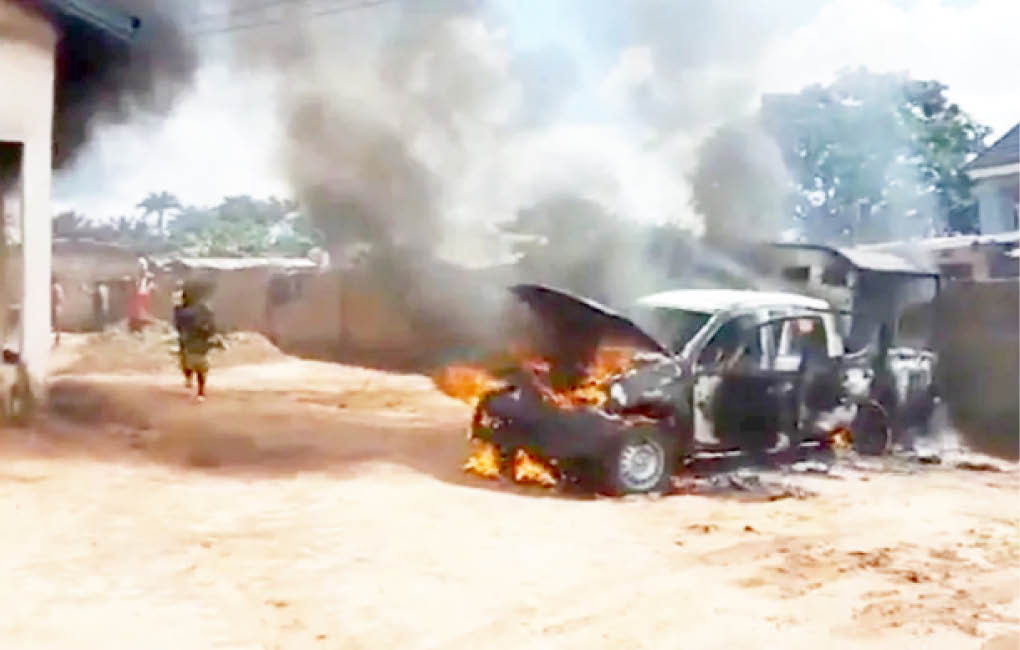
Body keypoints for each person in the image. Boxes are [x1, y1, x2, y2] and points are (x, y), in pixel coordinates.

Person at [173, 280, 223, 402]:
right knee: (192, 363)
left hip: (196, 340)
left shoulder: (198, 309)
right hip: (191, 339)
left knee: (197, 365)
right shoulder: (194, 309)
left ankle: (199, 389)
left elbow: (210, 325)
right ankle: (196, 386)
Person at [51, 276, 64, 346]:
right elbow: (61, 297)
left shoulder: (53, 287)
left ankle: (56, 337)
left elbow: (54, 297)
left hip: (54, 306)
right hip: (59, 306)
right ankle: (58, 336)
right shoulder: (59, 287)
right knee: (58, 322)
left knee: (54, 322)